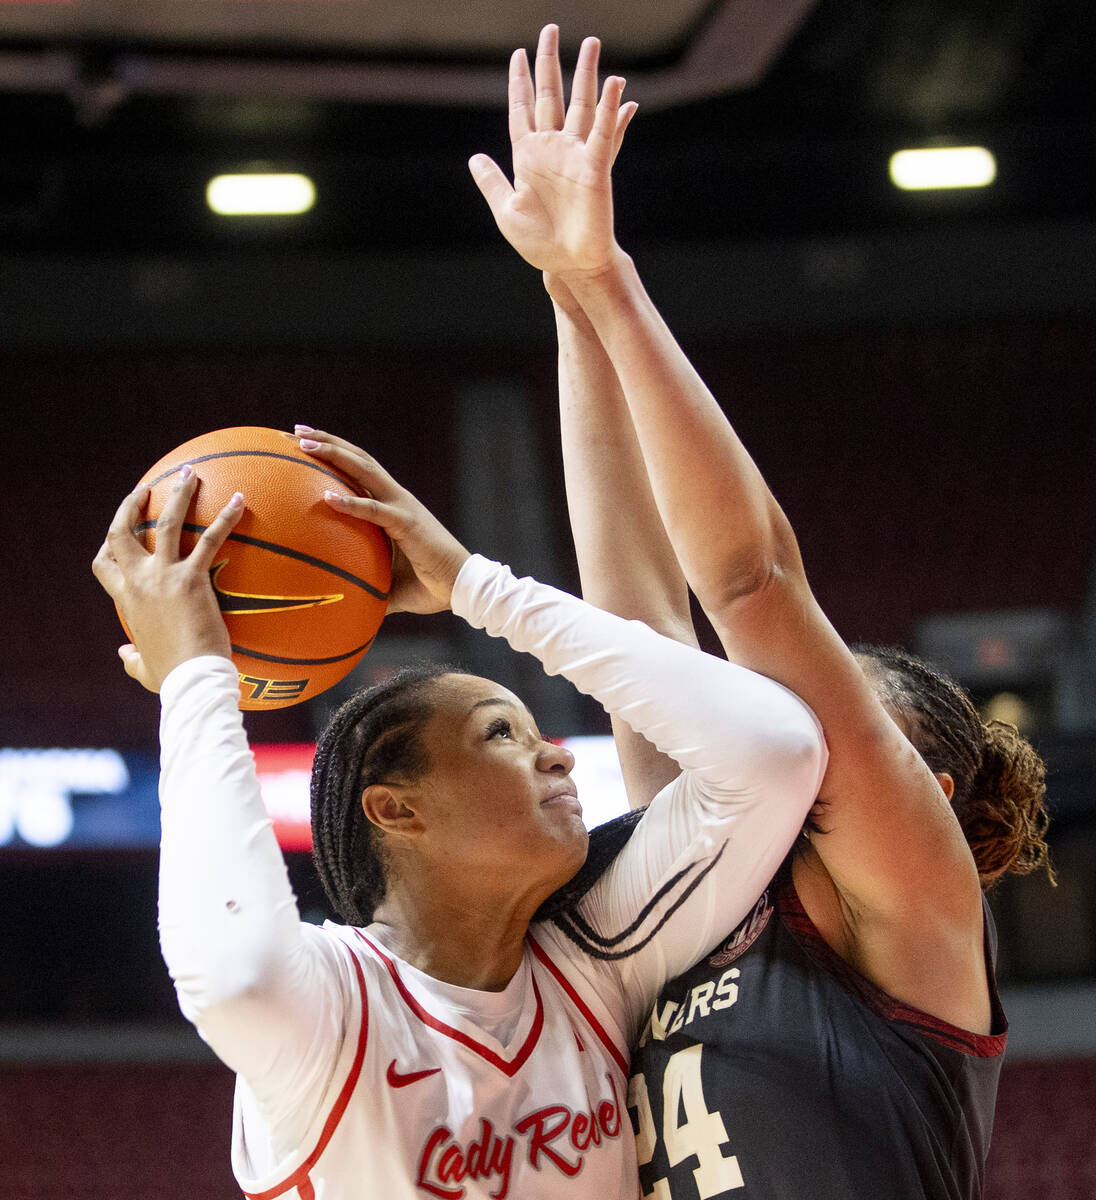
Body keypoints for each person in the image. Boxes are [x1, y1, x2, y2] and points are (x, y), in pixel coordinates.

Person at [469, 25, 1053, 1200]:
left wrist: (609, 281)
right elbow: (633, 619)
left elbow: (750, 587)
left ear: (918, 798)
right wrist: (564, 289)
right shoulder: (707, 868)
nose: (762, 714)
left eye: (807, 707)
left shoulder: (913, 910)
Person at [91, 430, 827, 1198]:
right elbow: (235, 974)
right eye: (502, 734)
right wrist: (195, 678)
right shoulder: (337, 1004)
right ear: (396, 809)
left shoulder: (592, 967)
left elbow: (775, 754)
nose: (560, 757)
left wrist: (478, 588)